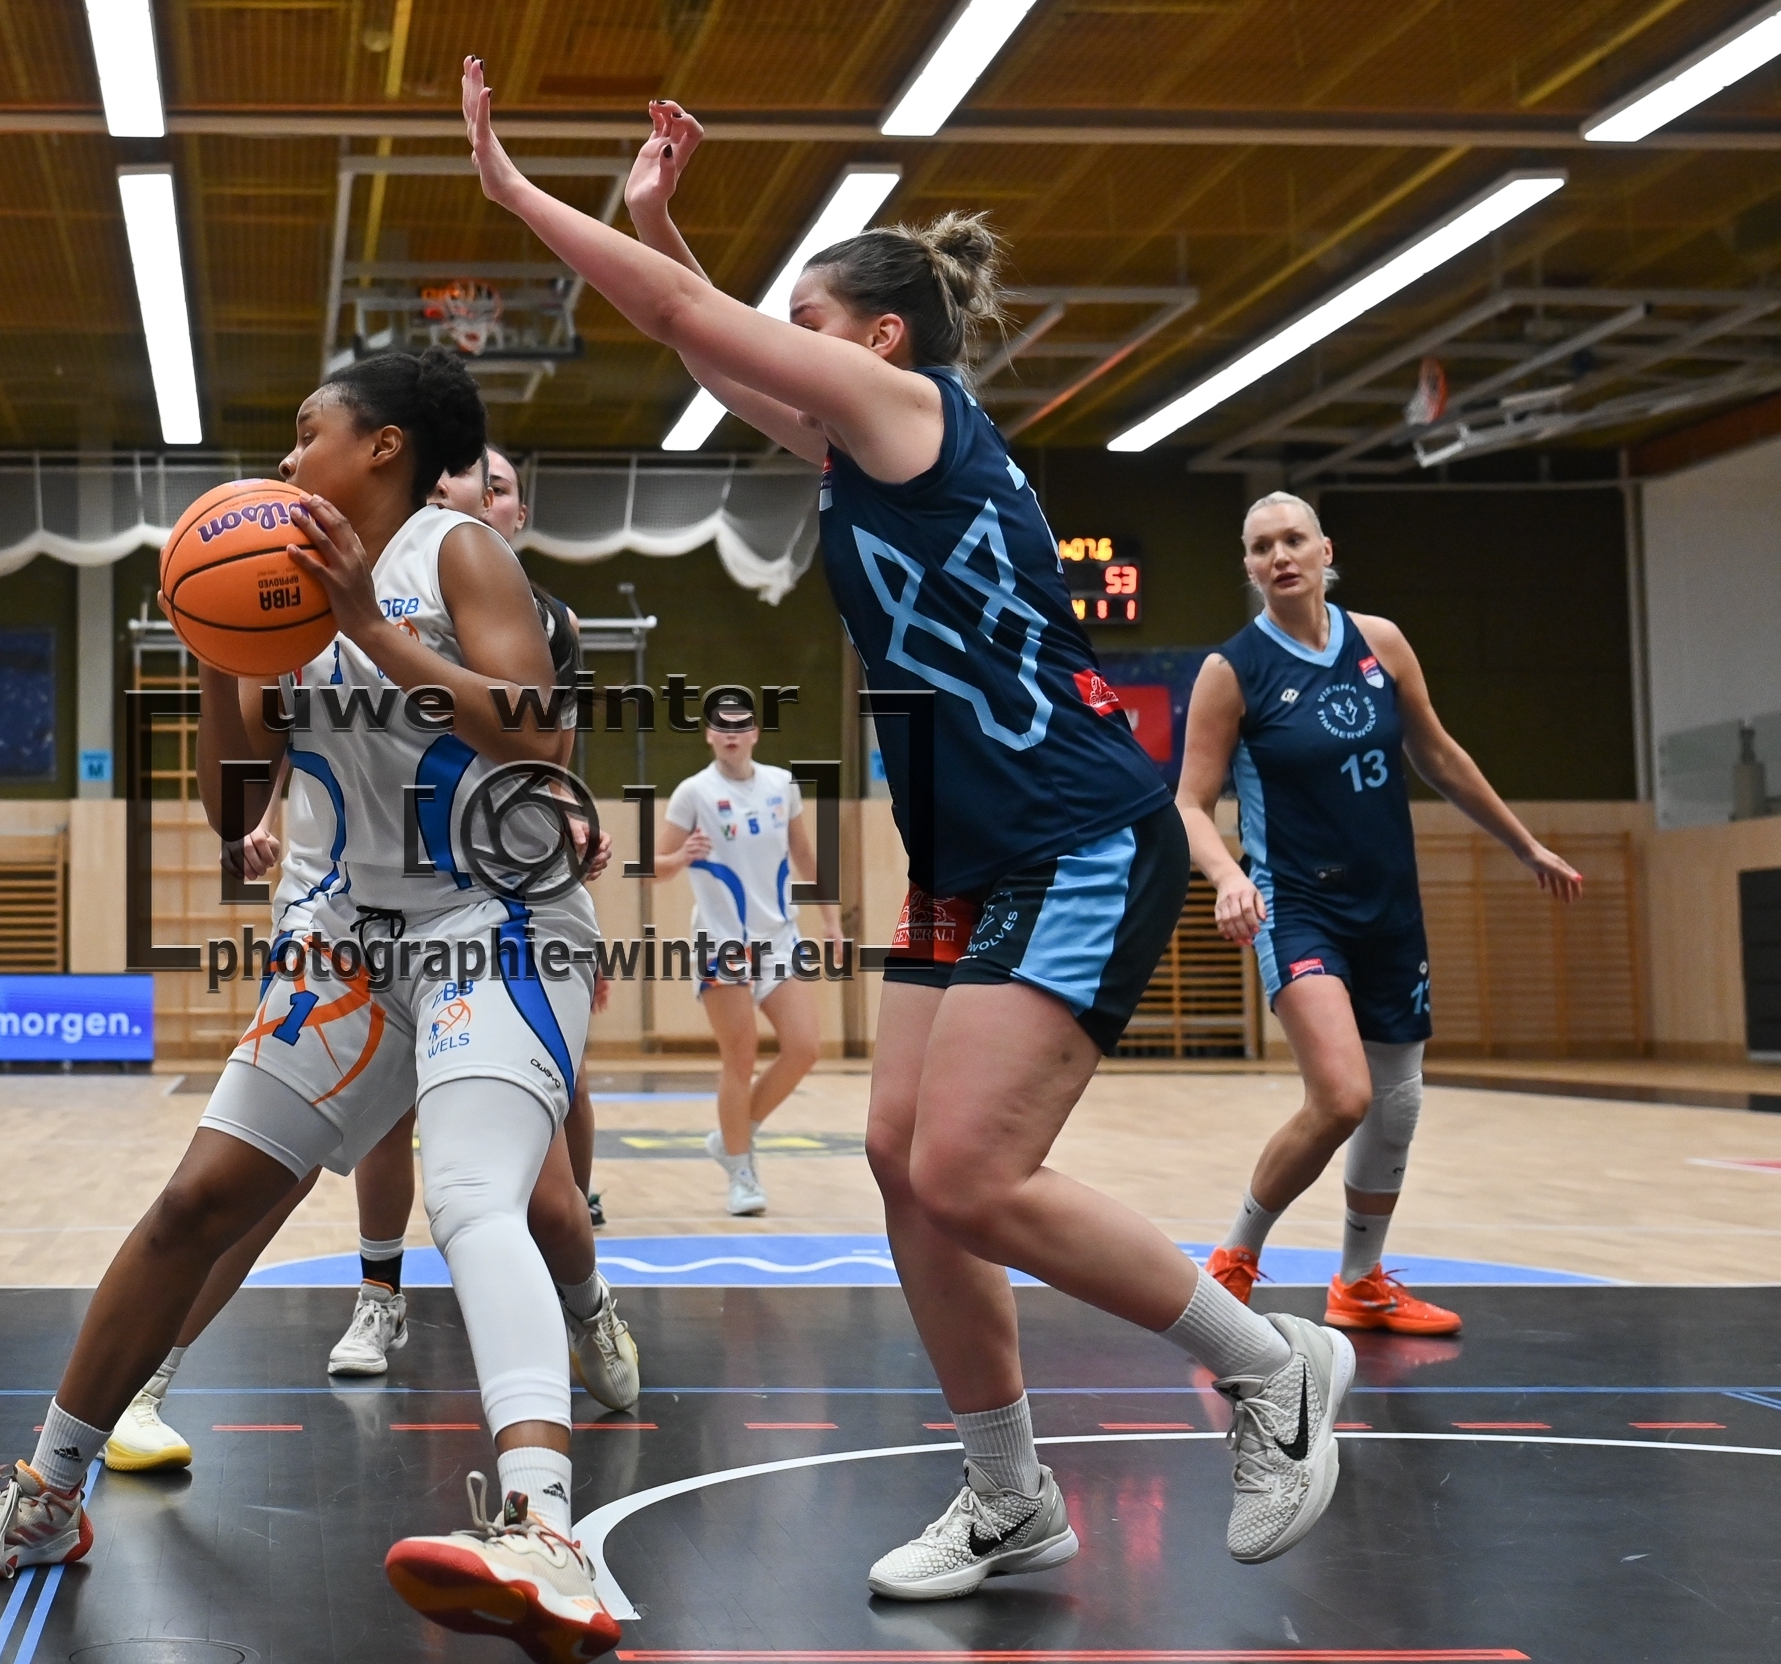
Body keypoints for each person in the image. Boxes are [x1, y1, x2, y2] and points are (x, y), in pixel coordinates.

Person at [466, 71, 1356, 1598]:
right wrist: (656, 221)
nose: (786, 340)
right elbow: (699, 330)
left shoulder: (915, 414)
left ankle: (1269, 1367)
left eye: (807, 320)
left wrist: (513, 189)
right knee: (899, 1160)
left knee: (972, 1174)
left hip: (1075, 832)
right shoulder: (857, 449)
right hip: (969, 857)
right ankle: (1010, 1497)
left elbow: (689, 319)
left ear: (877, 340)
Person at [0, 350, 624, 1663]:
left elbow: (538, 739)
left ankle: (545, 1531)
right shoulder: (279, 591)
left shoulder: (459, 554)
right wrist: (216, 650)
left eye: (310, 431)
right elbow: (233, 803)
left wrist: (366, 625)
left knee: (475, 1194)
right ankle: (45, 1497)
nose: (289, 459)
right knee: (198, 1201)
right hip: (352, 936)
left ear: (386, 446)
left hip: (495, 916)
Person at [1179, 492, 1583, 1335]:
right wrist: (1224, 876)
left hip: (1390, 908)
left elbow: (1438, 755)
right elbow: (1189, 804)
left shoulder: (1381, 643)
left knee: (1397, 1101)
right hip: (1299, 905)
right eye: (1261, 546)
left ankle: (1360, 1282)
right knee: (1342, 1096)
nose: (1280, 556)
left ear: (1325, 550)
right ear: (1248, 567)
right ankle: (1231, 1262)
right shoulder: (1233, 671)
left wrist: (1524, 844)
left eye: (1294, 540)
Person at [326, 446, 630, 1382]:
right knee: (382, 1116)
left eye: (497, 486)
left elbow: (544, 749)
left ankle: (585, 1298)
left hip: (499, 902)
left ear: (516, 514)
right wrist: (259, 821)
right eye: (464, 479)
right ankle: (379, 1295)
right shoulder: (364, 593)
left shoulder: (544, 620)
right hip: (378, 898)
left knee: (546, 1181)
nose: (475, 494)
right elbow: (317, 739)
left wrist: (567, 810)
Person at [653, 705, 831, 1215]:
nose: (731, 734)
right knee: (741, 1056)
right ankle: (741, 1171)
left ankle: (735, 1133)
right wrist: (681, 856)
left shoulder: (782, 784)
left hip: (779, 936)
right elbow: (650, 867)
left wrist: (832, 920)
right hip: (722, 941)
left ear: (755, 733)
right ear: (708, 736)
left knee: (804, 1047)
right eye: (721, 726)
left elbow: (804, 853)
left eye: (741, 726)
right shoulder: (694, 793)